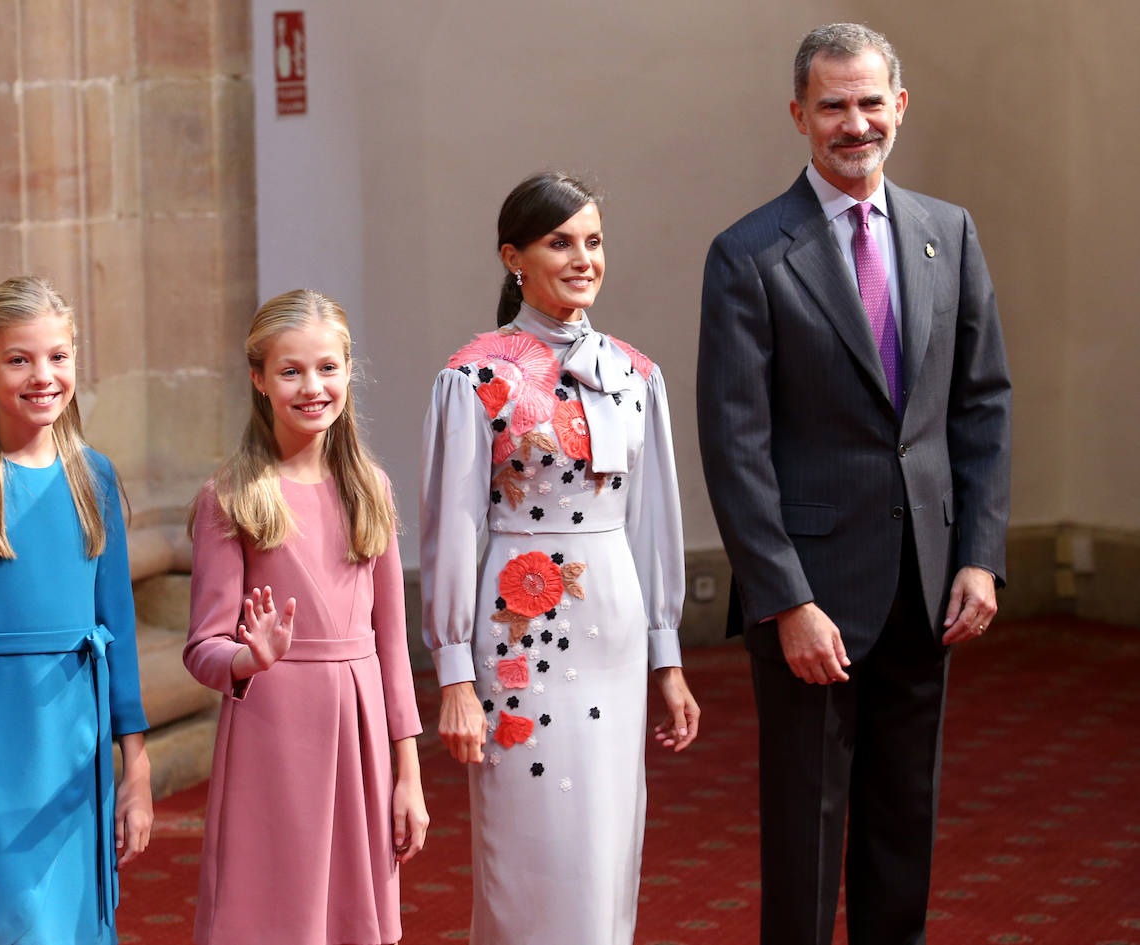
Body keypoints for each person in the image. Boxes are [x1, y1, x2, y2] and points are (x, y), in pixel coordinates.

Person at [696, 23, 1012, 945]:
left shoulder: (947, 233)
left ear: (899, 106)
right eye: (831, 105)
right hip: (811, 601)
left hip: (928, 586)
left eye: (870, 101)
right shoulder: (747, 253)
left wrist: (981, 558)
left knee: (901, 827)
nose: (854, 122)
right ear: (799, 115)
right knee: (807, 834)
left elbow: (981, 406)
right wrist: (785, 597)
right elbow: (736, 444)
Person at [421, 172, 701, 945]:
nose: (583, 258)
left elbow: (652, 524)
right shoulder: (475, 376)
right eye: (559, 242)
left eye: (594, 240)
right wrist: (453, 675)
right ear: (514, 257)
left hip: (613, 623)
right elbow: (450, 528)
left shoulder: (638, 376)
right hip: (520, 628)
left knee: (610, 836)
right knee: (528, 839)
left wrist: (666, 659)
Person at [0, 276, 154, 944]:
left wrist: (137, 767)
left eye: (58, 356)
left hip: (79, 750)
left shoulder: (94, 477)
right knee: (4, 924)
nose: (42, 375)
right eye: (20, 359)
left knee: (73, 927)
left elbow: (120, 632)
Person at [184, 289, 427, 945]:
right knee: (270, 916)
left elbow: (394, 647)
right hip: (272, 733)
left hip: (362, 731)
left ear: (349, 370)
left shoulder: (369, 487)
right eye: (291, 370)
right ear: (259, 379)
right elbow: (202, 645)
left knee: (354, 916)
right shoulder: (230, 495)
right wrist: (246, 656)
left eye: (327, 367)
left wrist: (409, 773)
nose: (312, 386)